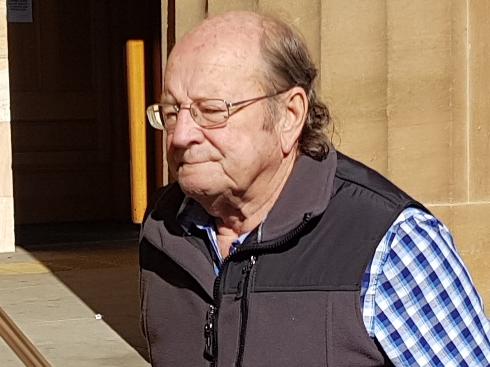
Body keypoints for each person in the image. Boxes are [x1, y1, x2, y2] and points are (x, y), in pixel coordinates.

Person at [140, 11, 490, 367]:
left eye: (211, 110)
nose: (181, 135)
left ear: (289, 115)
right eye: (170, 113)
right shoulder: (164, 230)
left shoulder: (391, 245)